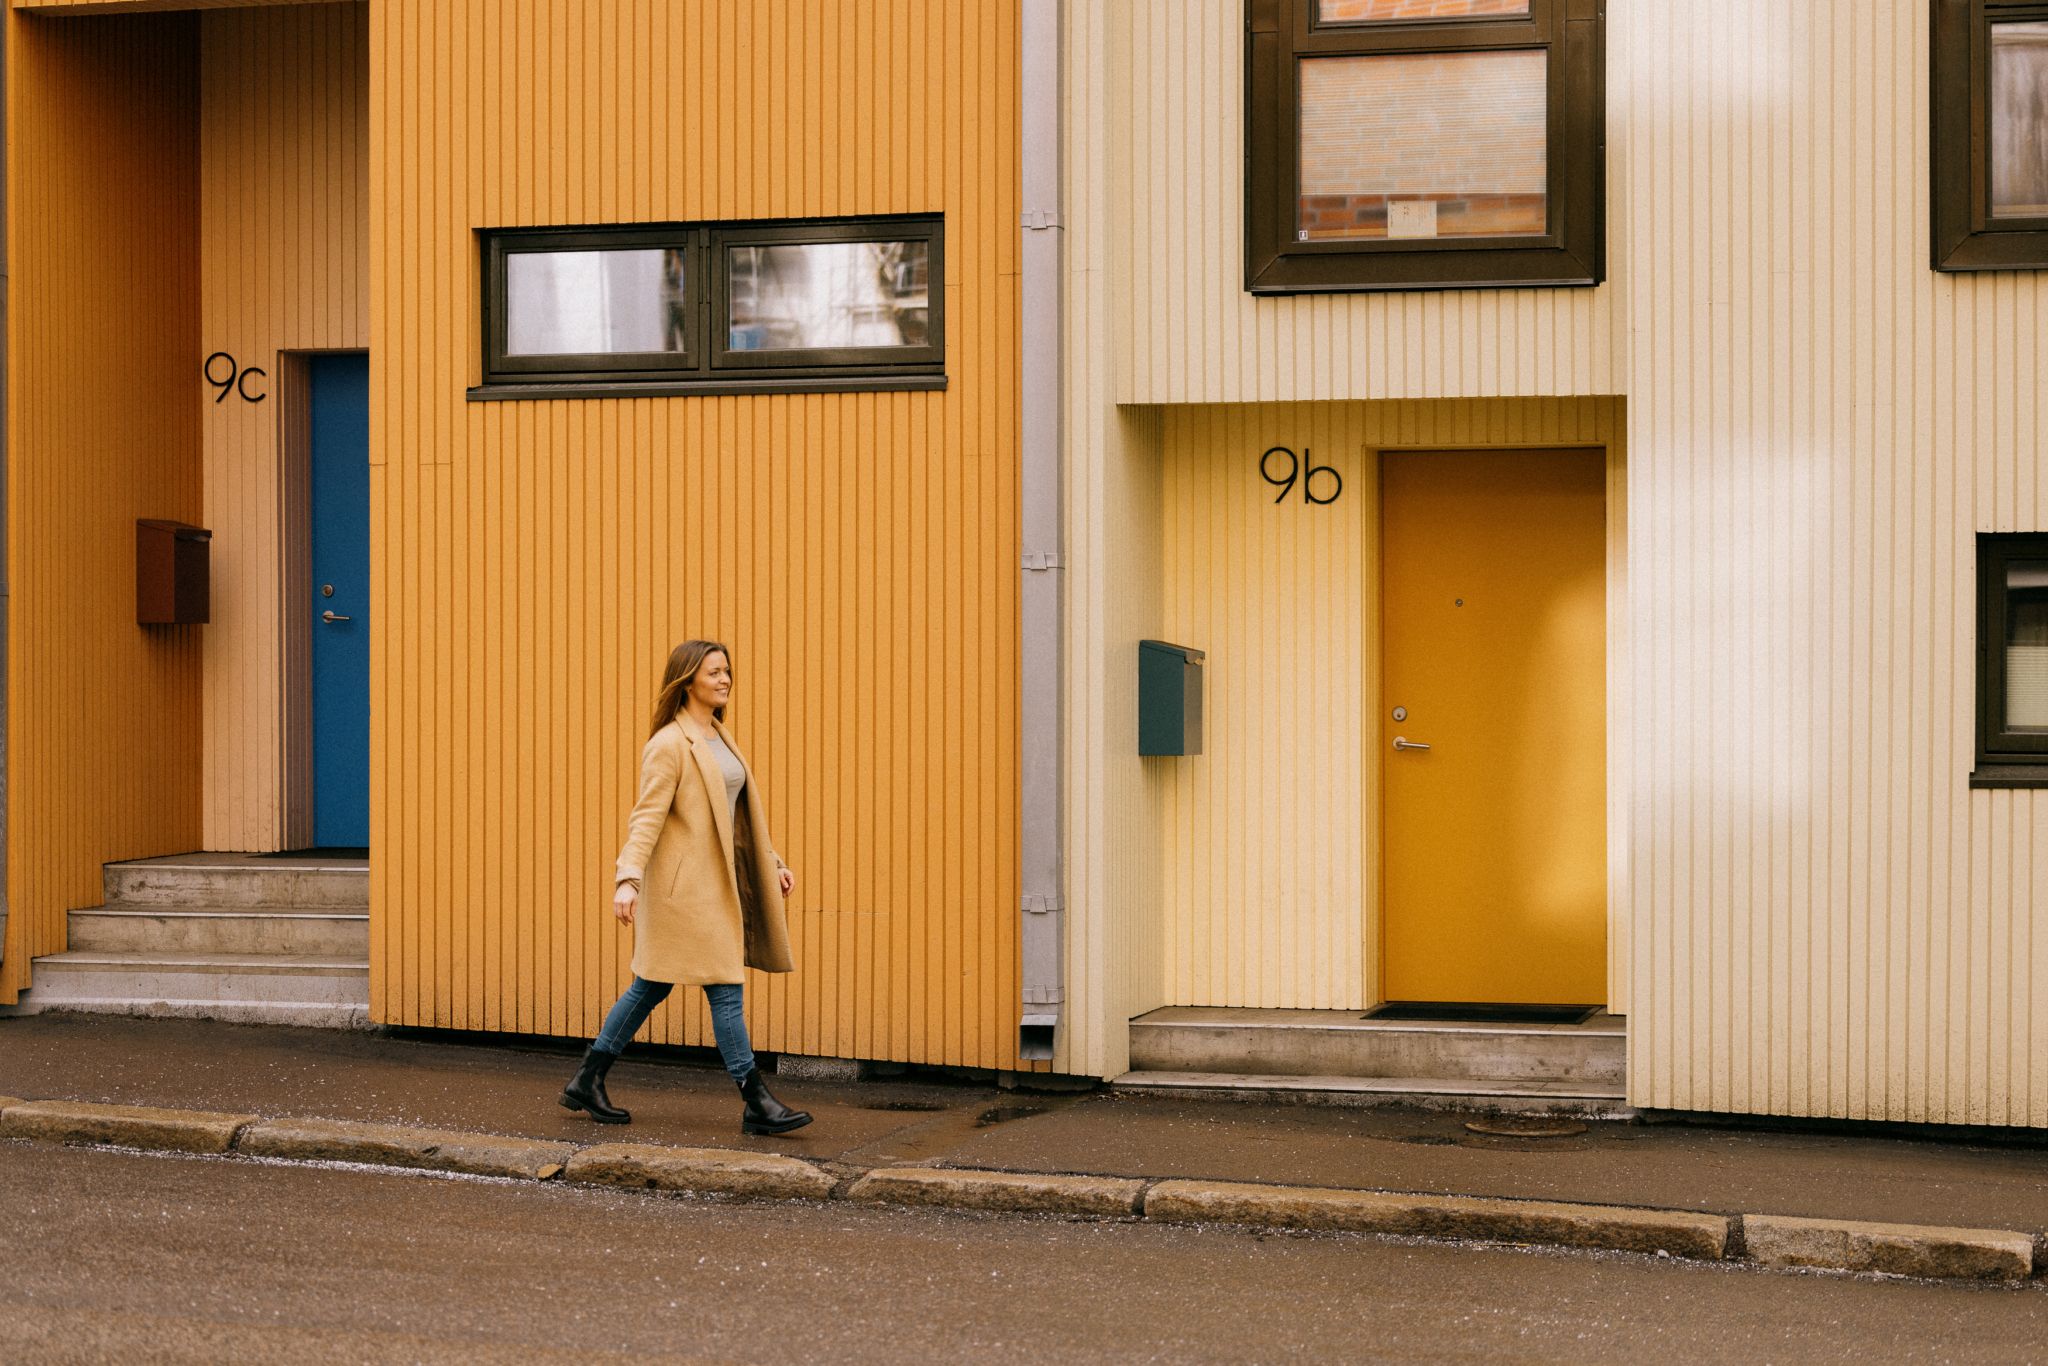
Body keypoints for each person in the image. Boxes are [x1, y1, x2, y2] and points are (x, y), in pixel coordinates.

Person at [559, 639, 812, 1136]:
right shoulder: (669, 744)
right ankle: (756, 1101)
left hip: (716, 888)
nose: (724, 680)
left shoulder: (719, 736)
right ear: (688, 679)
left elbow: (735, 818)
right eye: (714, 672)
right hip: (685, 896)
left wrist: (772, 861)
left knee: (649, 986)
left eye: (727, 672)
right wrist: (627, 879)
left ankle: (588, 1080)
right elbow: (646, 819)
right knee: (725, 988)